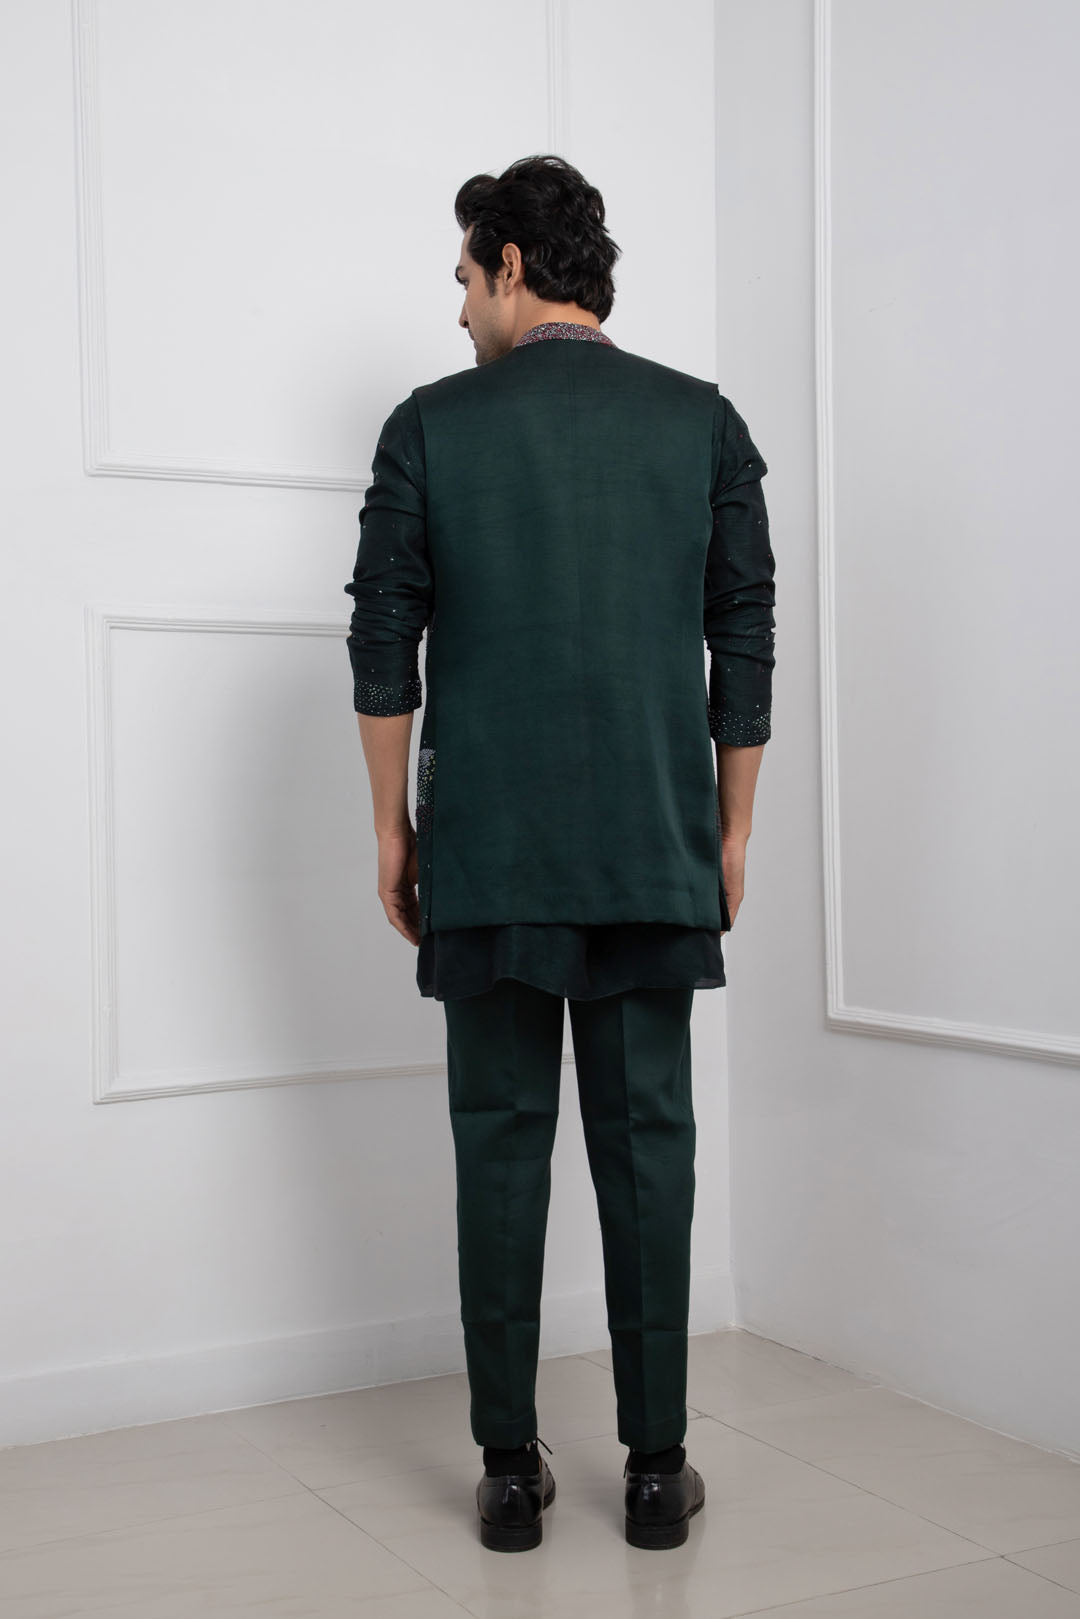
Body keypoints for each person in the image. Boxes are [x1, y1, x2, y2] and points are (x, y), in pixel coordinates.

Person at [343, 154, 775, 1552]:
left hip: (490, 850)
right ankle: (655, 1471)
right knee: (651, 1148)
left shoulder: (430, 427)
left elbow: (381, 643)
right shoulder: (702, 423)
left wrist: (394, 830)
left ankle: (507, 1472)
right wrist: (732, 828)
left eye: (466, 279)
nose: (461, 308)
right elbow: (745, 637)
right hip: (655, 843)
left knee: (498, 1143)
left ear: (513, 266)